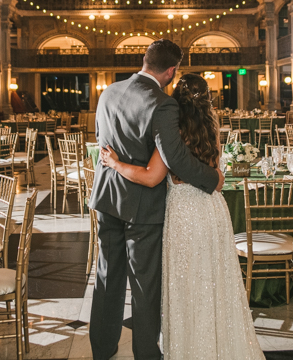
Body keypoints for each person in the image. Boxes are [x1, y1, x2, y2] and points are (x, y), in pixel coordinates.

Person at [100, 73, 265, 360]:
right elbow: (218, 175)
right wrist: (216, 179)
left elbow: (151, 177)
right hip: (213, 211)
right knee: (216, 283)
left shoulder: (171, 132)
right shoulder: (211, 129)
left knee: (187, 286)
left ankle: (192, 349)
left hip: (184, 214)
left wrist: (115, 163)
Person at [89, 40, 224, 360]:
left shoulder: (108, 91)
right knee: (144, 288)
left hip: (108, 197)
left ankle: (102, 349)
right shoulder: (162, 104)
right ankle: (147, 355)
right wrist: (212, 179)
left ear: (144, 61)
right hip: (142, 208)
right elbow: (175, 158)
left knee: (107, 277)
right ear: (171, 70)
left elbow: (100, 138)